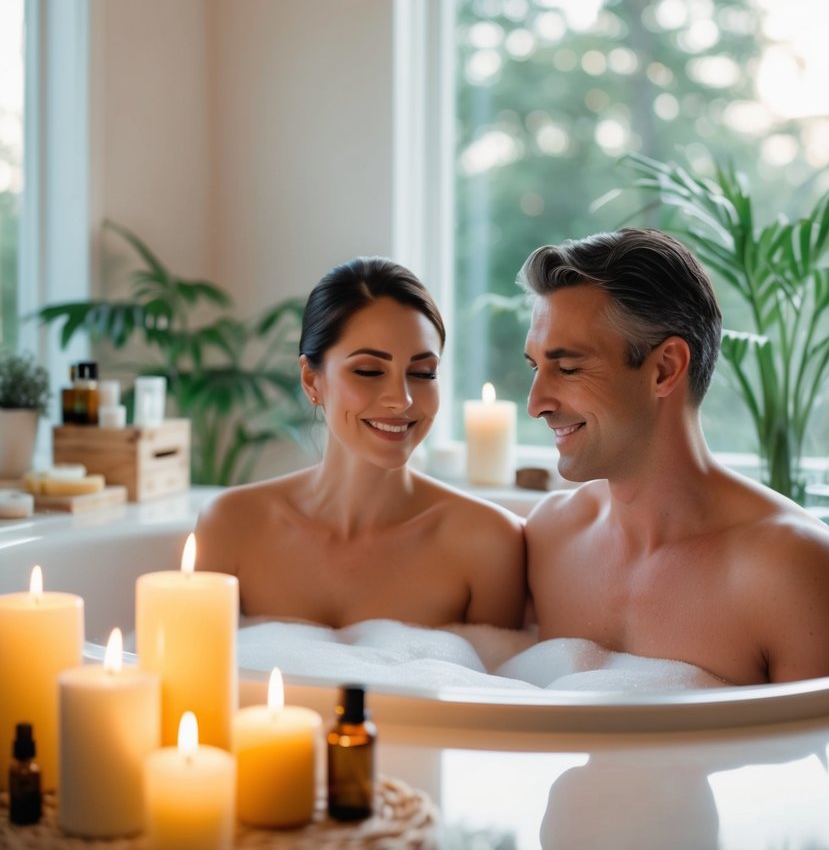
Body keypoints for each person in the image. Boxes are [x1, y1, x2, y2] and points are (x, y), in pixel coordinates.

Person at [519, 227, 829, 685]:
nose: (536, 402)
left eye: (568, 368)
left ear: (665, 369)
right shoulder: (552, 537)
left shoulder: (788, 571)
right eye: (535, 367)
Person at [196, 256, 526, 629]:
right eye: (369, 371)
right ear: (311, 380)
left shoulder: (486, 542)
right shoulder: (233, 526)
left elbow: (497, 678)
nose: (401, 400)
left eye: (422, 373)